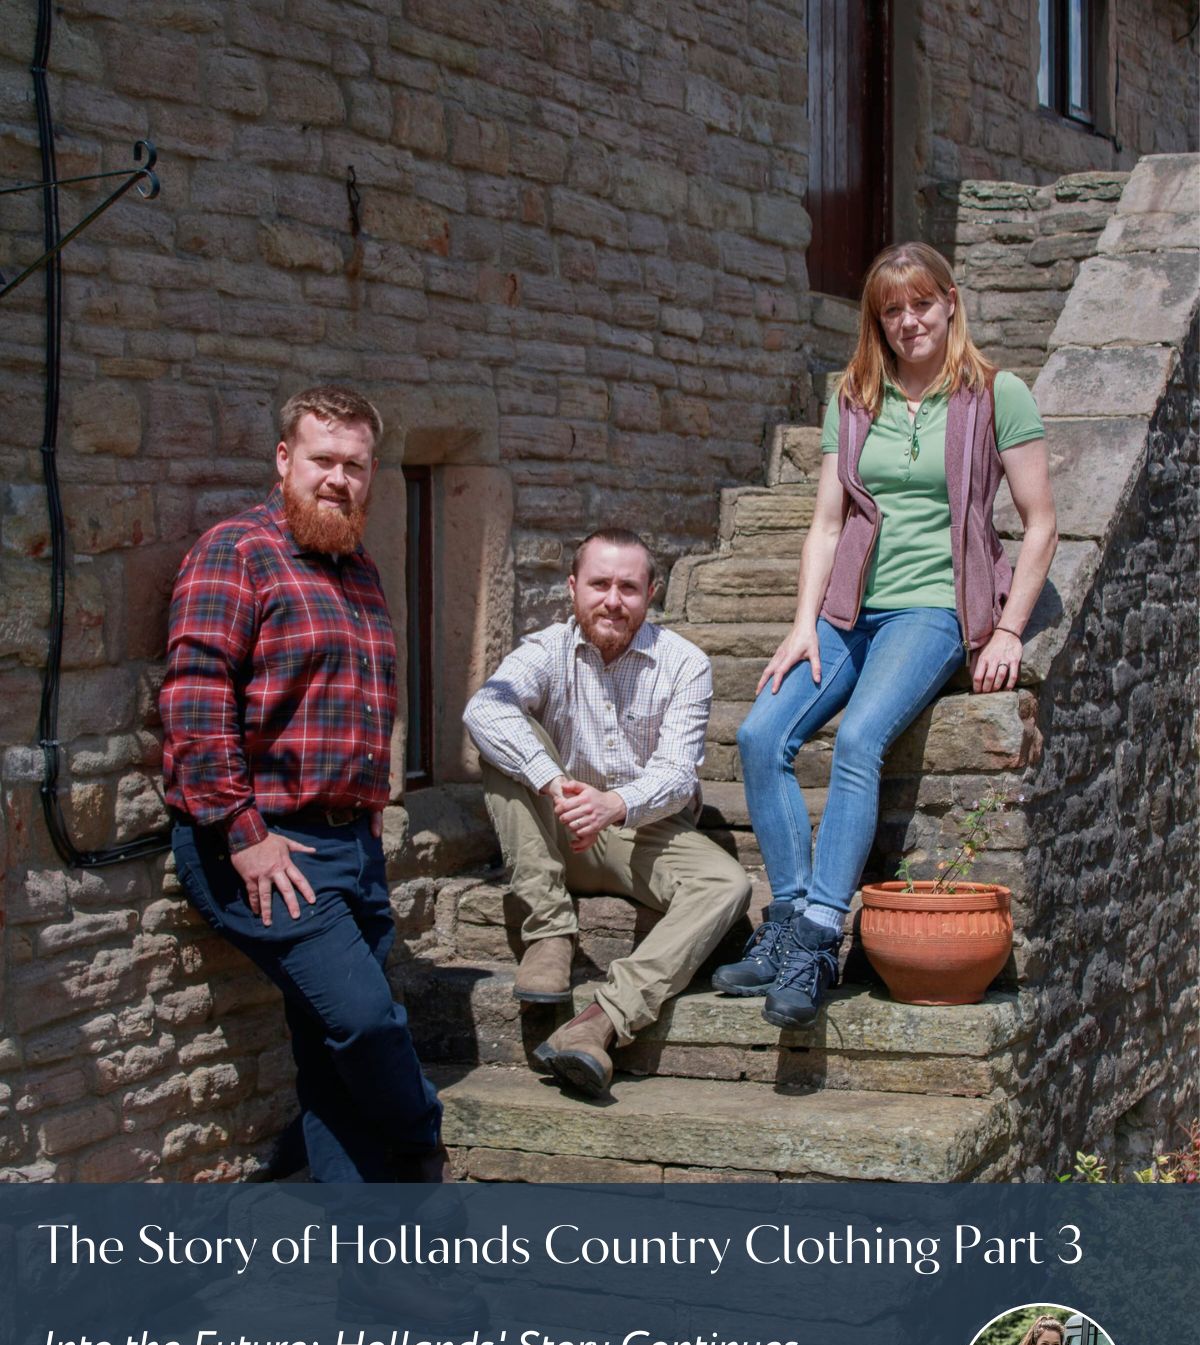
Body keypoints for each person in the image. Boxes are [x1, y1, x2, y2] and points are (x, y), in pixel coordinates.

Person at [715, 241, 1057, 1027]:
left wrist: (1006, 630)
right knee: (762, 734)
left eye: (921, 304)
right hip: (847, 611)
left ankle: (821, 935)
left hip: (933, 608)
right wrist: (803, 625)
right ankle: (792, 924)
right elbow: (826, 524)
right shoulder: (855, 396)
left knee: (861, 737)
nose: (908, 321)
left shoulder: (997, 394)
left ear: (950, 302)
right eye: (891, 310)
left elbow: (1042, 527)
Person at [160, 385, 444, 1184]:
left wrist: (369, 818)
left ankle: (369, 1273)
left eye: (356, 466)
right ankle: (424, 1139)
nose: (338, 479)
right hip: (263, 843)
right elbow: (193, 696)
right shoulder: (236, 552)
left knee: (332, 1065)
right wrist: (241, 832)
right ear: (284, 460)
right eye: (322, 460)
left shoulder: (360, 570)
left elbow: (361, 708)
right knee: (364, 1022)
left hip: (350, 843)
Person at [463, 528, 752, 1098]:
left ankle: (599, 1021)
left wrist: (616, 803)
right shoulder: (545, 650)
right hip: (558, 825)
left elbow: (676, 773)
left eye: (628, 587)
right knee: (499, 738)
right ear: (573, 588)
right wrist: (553, 782)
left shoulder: (684, 664)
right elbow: (482, 708)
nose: (612, 600)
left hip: (643, 830)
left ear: (652, 593)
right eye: (599, 584)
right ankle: (549, 934)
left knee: (728, 884)